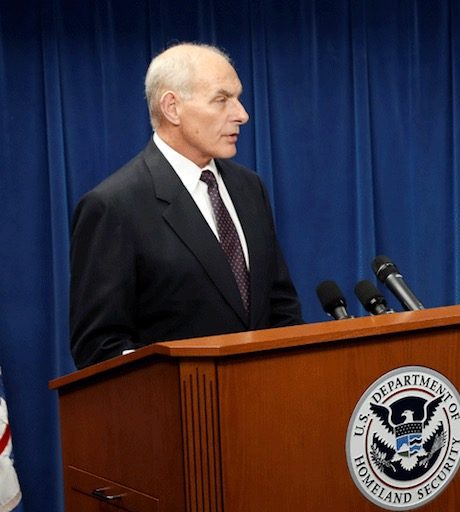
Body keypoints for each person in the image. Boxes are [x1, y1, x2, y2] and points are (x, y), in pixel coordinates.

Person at [69, 43, 303, 368]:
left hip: (264, 403)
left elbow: (281, 307)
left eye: (237, 98)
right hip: (179, 412)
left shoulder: (249, 188)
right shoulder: (114, 206)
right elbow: (100, 345)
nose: (242, 114)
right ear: (172, 108)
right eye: (222, 100)